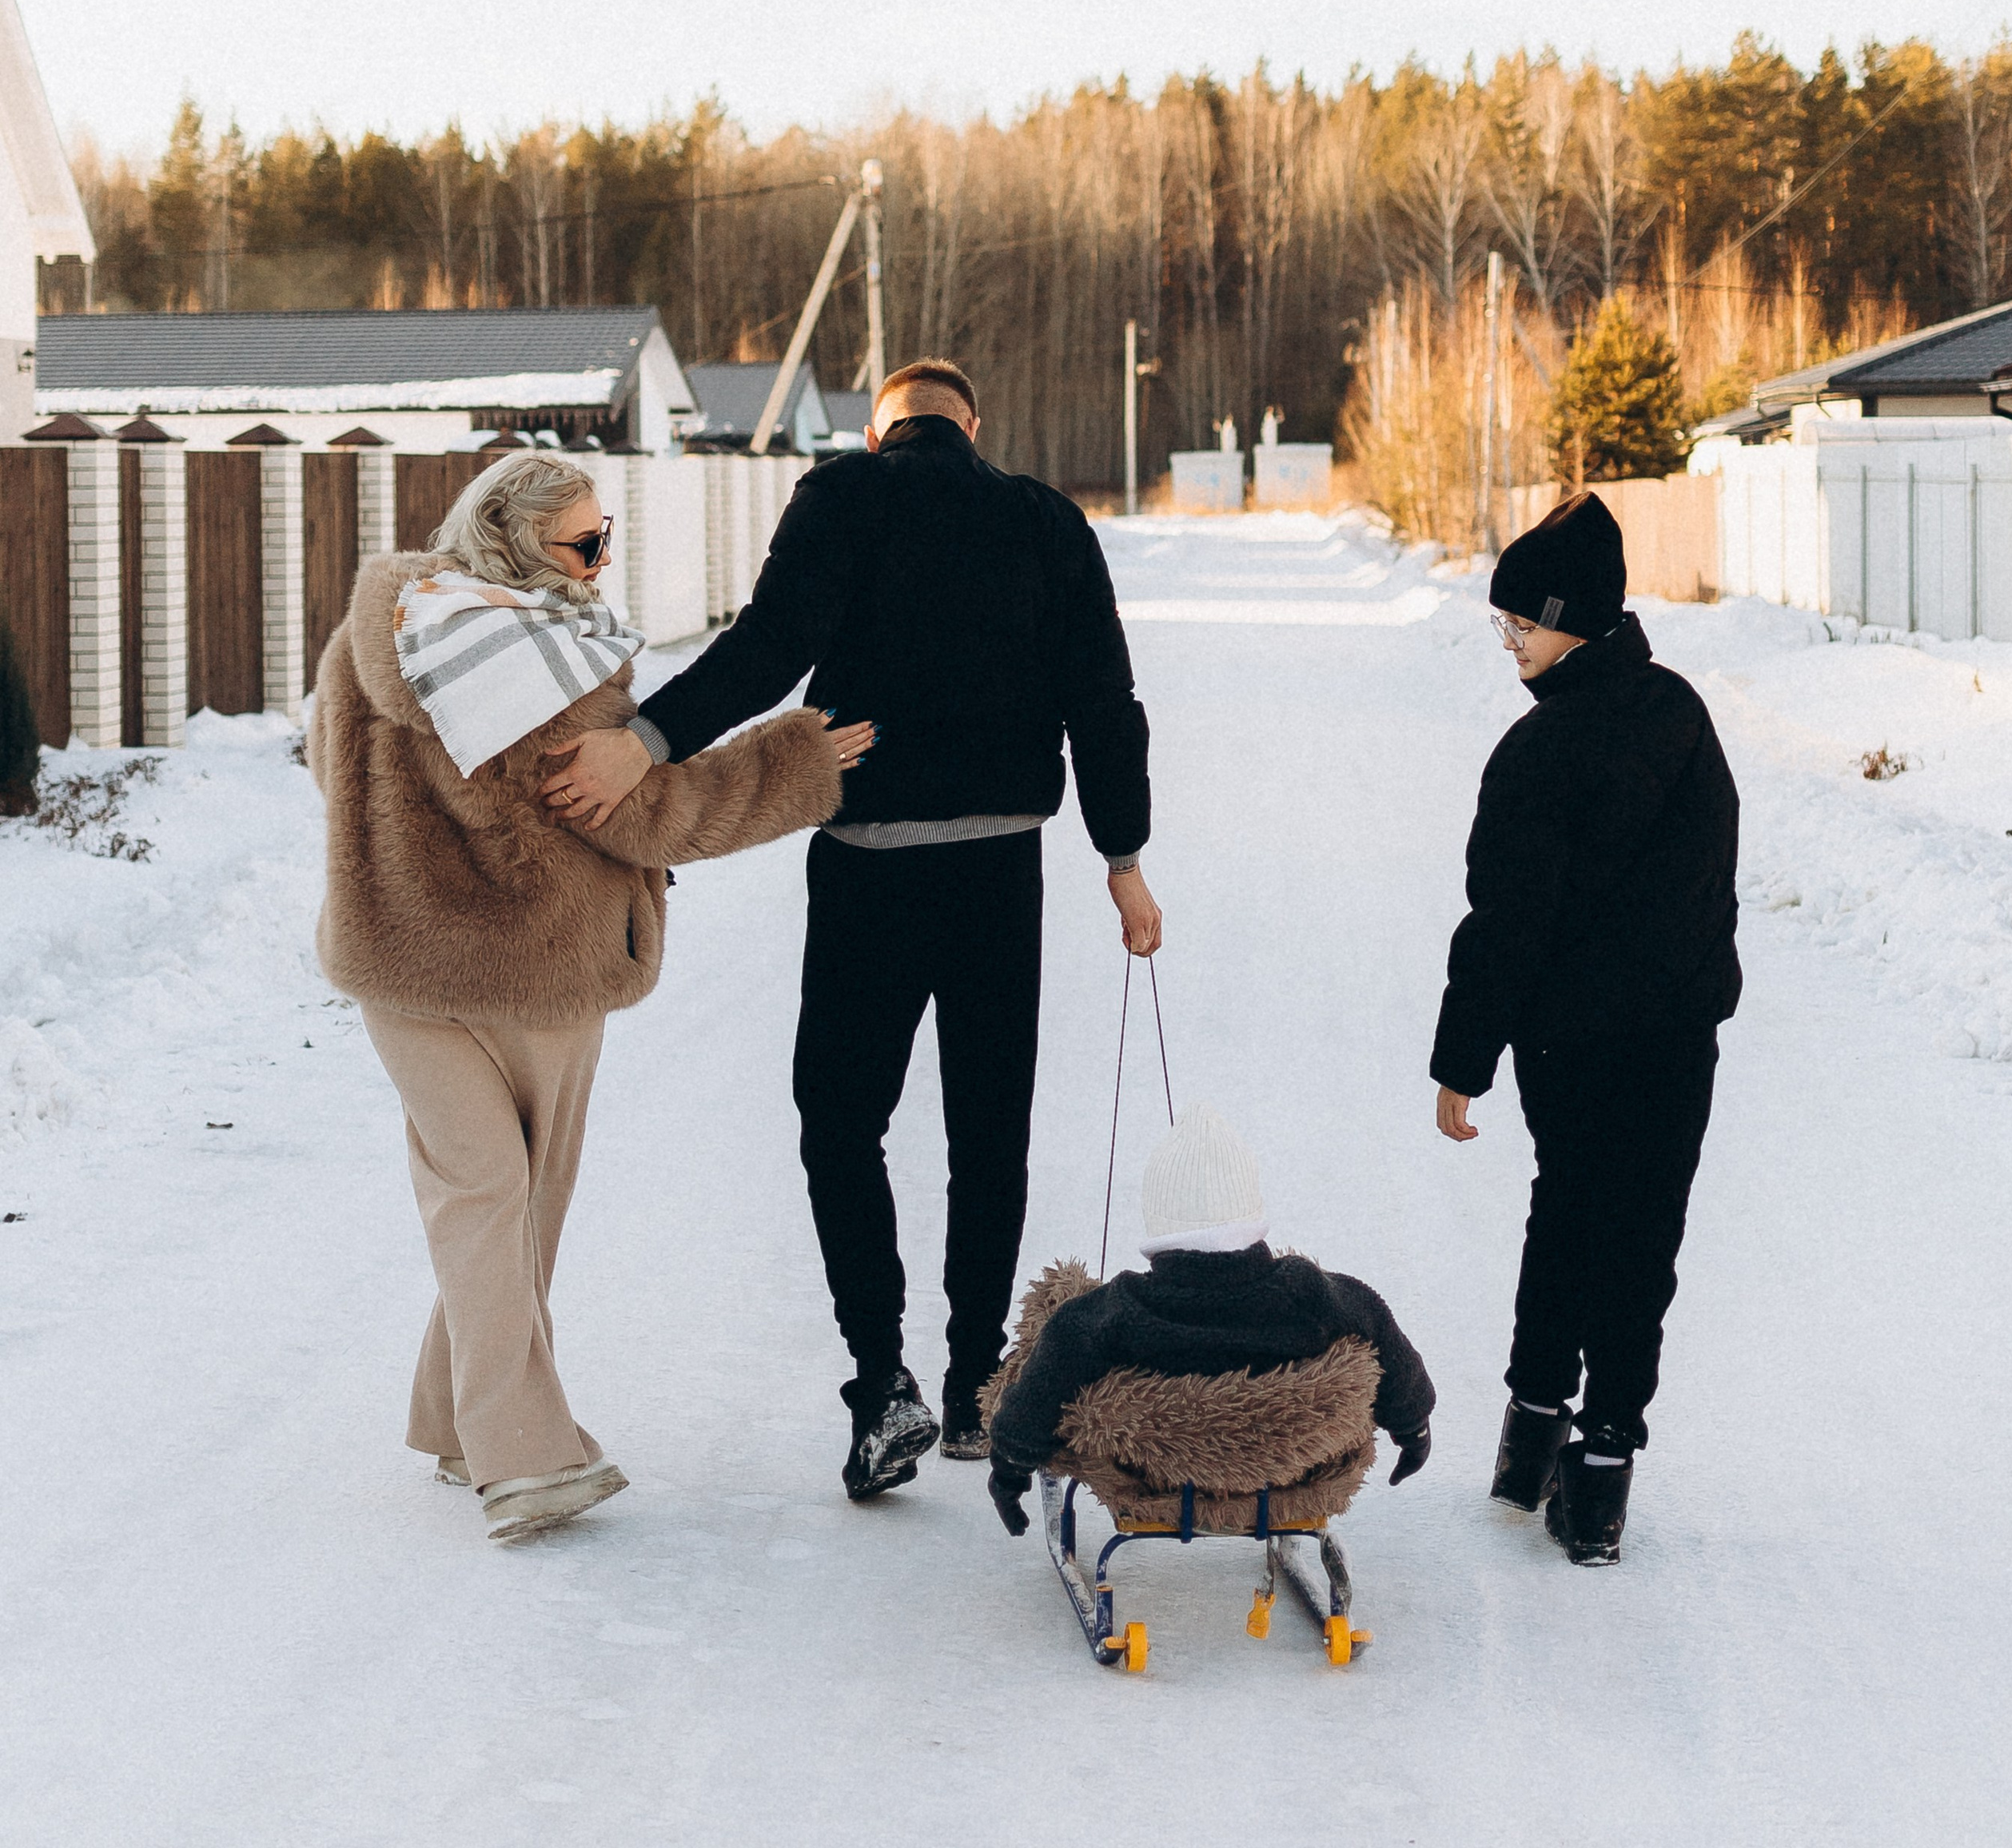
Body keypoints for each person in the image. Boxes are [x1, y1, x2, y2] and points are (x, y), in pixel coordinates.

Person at [542, 357, 1161, 1502]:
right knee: (989, 1132)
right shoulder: (1045, 519)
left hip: (869, 873)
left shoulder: (846, 496)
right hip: (999, 871)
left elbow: (771, 646)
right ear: (973, 425)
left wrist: (651, 738)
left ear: (882, 431)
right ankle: (982, 1385)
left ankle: (884, 1385)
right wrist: (1123, 862)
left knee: (840, 1124)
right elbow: (1103, 698)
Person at [307, 448, 863, 1544]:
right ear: (516, 543)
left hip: (403, 976)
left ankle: (457, 1422)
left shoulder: (383, 625)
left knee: (485, 1204)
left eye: (606, 537)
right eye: (585, 544)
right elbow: (652, 814)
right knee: (507, 1204)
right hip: (542, 978)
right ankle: (527, 1462)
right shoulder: (548, 668)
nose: (604, 562)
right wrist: (794, 764)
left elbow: (326, 761)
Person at [1430, 492, 1740, 1564]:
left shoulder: (1542, 749)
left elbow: (1505, 924)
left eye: (1520, 624)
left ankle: (1530, 1437)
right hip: (1674, 1040)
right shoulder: (1681, 714)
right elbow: (1712, 882)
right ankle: (1601, 1470)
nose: (1510, 642)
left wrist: (1463, 1059)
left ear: (1571, 620)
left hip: (1571, 1045)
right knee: (1642, 1237)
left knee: (1566, 1217)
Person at [982, 1105, 1434, 1530]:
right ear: (1252, 1211)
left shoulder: (1119, 1310)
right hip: (1285, 1477)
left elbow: (1049, 1373)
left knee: (1053, 1325)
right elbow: (1380, 1327)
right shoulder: (1309, 1295)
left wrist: (1010, 1467)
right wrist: (1412, 1425)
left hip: (1158, 1480)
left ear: (1157, 1221)